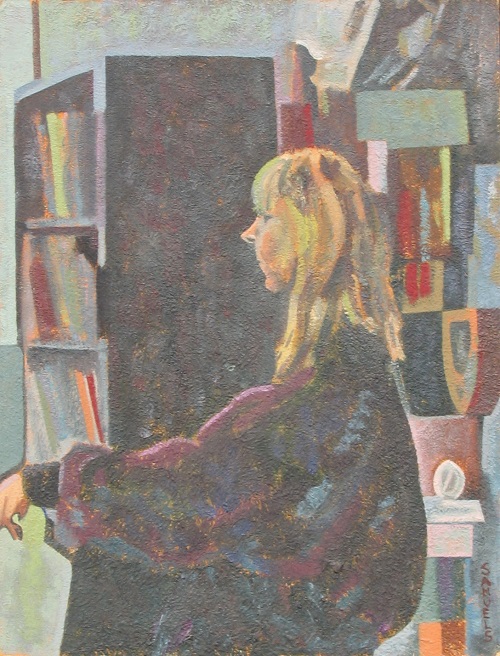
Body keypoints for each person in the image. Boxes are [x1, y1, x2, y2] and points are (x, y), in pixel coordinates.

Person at [0, 147, 426, 655]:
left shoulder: (324, 395)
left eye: (266, 216)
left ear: (309, 235)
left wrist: (49, 481)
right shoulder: (358, 376)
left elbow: (194, 492)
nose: (250, 232)